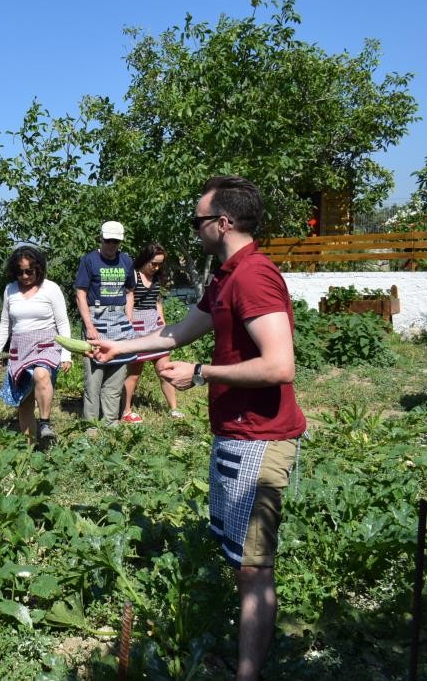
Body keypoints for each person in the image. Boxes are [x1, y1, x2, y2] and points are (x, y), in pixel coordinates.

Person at [92, 176, 306, 681]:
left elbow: (280, 366)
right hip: (237, 434)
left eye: (198, 221)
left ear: (223, 223)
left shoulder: (254, 277)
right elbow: (178, 331)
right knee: (241, 561)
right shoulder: (227, 276)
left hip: (261, 438)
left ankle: (247, 675)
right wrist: (117, 347)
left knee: (253, 568)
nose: (194, 232)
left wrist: (201, 373)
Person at [0, 246, 72, 445]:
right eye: (20, 271)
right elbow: (5, 323)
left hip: (47, 345)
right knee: (25, 401)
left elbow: (62, 322)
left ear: (39, 268)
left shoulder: (50, 288)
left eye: (29, 271)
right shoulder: (10, 290)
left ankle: (45, 423)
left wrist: (66, 354)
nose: (25, 276)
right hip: (20, 349)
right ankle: (32, 446)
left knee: (41, 374)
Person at [74, 221, 135, 424]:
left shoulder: (126, 261)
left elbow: (129, 292)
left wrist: (129, 318)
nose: (111, 245)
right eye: (108, 240)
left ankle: (110, 423)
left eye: (115, 241)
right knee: (94, 379)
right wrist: (89, 326)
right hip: (96, 320)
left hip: (119, 322)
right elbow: (80, 294)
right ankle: (91, 425)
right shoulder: (89, 260)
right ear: (101, 238)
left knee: (116, 377)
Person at [120, 243, 184, 423]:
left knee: (165, 369)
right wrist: (129, 323)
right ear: (145, 259)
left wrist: (162, 322)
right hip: (137, 326)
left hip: (155, 325)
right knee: (134, 372)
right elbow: (129, 299)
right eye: (154, 263)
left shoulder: (156, 277)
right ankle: (126, 411)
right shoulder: (133, 275)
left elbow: (157, 301)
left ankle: (174, 408)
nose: (156, 267)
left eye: (159, 264)